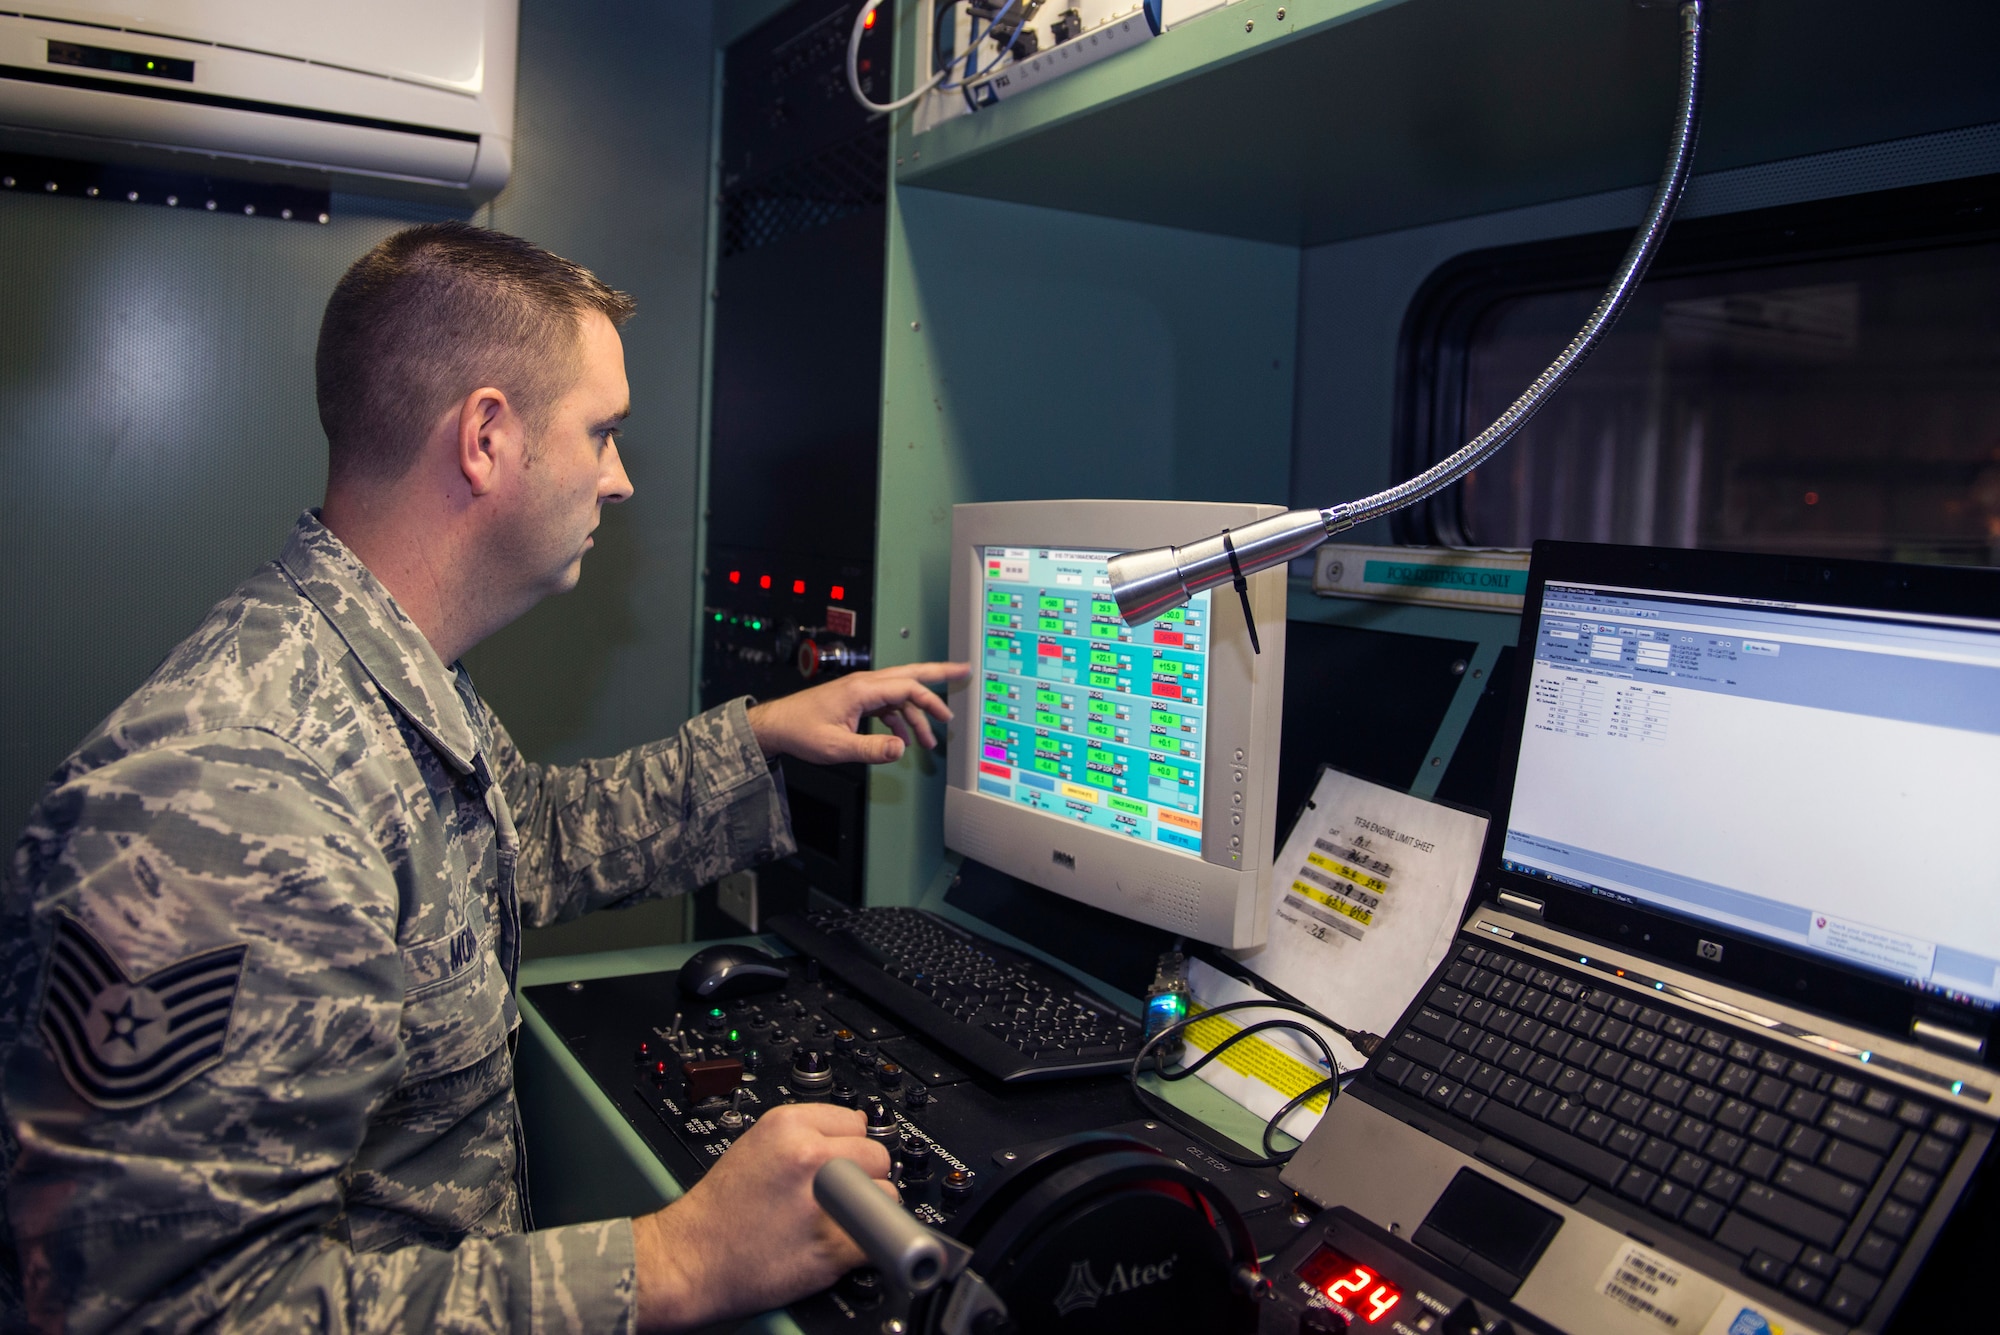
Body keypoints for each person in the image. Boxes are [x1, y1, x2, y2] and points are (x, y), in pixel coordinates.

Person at [0, 222, 968, 1333]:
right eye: (601, 433)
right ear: (487, 438)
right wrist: (679, 1261)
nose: (619, 480)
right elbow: (171, 1316)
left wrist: (765, 742)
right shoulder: (227, 805)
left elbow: (530, 837)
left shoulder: (379, 678)